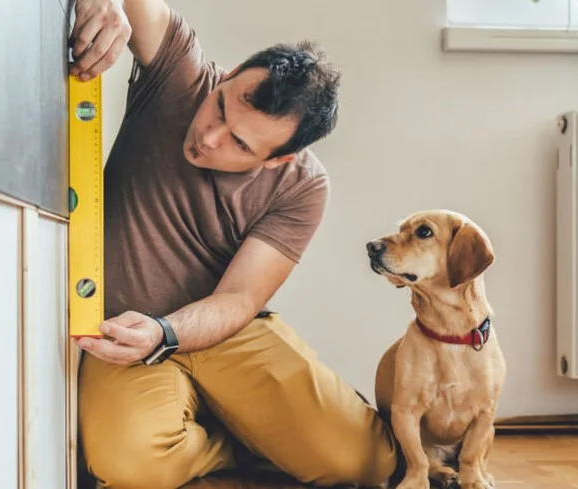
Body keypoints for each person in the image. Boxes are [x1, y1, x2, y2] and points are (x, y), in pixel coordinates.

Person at [67, 0, 399, 488]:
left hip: (225, 330)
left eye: (241, 144)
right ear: (234, 73)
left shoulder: (303, 186)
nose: (209, 136)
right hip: (123, 332)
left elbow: (240, 297)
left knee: (365, 464)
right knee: (130, 466)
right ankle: (235, 442)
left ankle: (260, 425)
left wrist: (167, 330)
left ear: (277, 160)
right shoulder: (179, 73)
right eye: (222, 106)